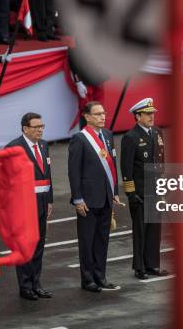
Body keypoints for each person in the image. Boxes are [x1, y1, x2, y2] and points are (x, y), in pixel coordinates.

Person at [68, 101, 123, 293]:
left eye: (104, 113)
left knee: (102, 240)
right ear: (87, 116)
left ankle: (101, 276)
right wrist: (78, 199)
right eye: (98, 114)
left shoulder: (107, 135)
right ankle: (88, 279)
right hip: (88, 200)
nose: (103, 117)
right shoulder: (79, 139)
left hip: (106, 197)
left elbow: (112, 164)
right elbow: (73, 172)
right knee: (87, 241)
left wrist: (114, 191)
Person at [6, 112, 54, 301]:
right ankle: (25, 286)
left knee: (39, 246)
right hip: (24, 206)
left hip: (42, 203)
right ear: (25, 128)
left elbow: (47, 175)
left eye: (42, 126)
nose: (40, 130)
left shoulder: (44, 145)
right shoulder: (14, 148)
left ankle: (36, 284)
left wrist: (49, 200)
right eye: (36, 127)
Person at [120, 98, 168, 280]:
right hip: (140, 192)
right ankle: (139, 267)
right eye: (147, 114)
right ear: (137, 116)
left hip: (156, 190)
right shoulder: (130, 137)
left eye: (153, 113)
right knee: (141, 230)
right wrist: (131, 193)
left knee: (155, 229)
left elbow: (161, 162)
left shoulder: (157, 133)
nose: (152, 116)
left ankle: (152, 264)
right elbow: (126, 168)